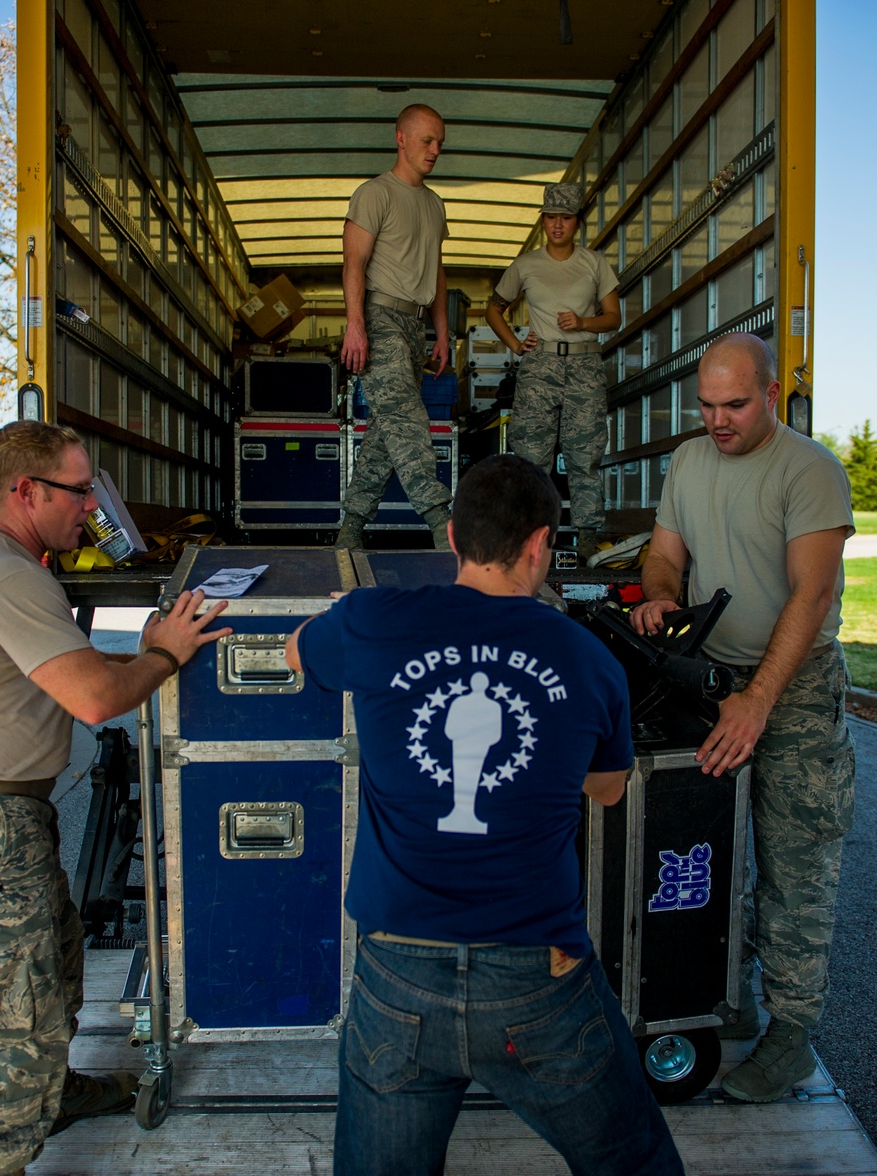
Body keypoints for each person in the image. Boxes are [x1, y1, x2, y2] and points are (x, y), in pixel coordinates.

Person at [286, 455, 683, 1175]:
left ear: (451, 536)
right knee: (637, 1164)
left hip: (397, 968)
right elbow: (609, 788)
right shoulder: (591, 659)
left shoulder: (372, 621)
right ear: (540, 546)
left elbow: (296, 651)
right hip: (539, 976)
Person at [0, 421, 233, 1176]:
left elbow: (66, 665)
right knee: (4, 1020)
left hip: (0, 820)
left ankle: (55, 1094)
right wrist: (161, 654)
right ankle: (2, 1161)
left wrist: (143, 649)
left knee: (52, 965)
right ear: (25, 491)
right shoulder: (8, 576)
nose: (91, 507)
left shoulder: (16, 568)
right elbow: (92, 698)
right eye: (80, 491)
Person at [630, 332, 856, 1103]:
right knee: (712, 851)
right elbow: (664, 555)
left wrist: (761, 700)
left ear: (768, 395)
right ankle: (736, 998)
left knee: (795, 861)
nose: (718, 420)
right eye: (707, 405)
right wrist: (660, 593)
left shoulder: (811, 471)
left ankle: (791, 1036)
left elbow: (813, 595)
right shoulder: (691, 461)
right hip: (714, 682)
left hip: (790, 686)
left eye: (734, 405)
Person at [336, 103, 453, 551]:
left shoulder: (434, 204)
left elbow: (436, 272)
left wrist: (441, 333)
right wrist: (355, 325)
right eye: (427, 140)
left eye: (440, 142)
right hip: (380, 317)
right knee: (406, 419)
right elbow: (354, 262)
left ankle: (350, 527)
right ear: (400, 138)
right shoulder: (374, 194)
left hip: (415, 324)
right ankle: (442, 526)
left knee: (387, 431)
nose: (435, 149)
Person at [485, 182, 621, 562]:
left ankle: (588, 539)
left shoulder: (595, 263)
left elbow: (614, 317)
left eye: (565, 218)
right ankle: (530, 540)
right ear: (543, 221)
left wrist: (583, 321)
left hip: (584, 364)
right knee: (531, 456)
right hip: (540, 365)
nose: (557, 225)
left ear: (577, 222)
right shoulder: (526, 265)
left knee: (585, 454)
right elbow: (493, 309)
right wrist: (515, 345)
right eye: (550, 218)